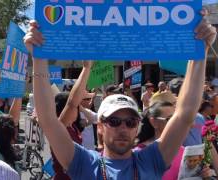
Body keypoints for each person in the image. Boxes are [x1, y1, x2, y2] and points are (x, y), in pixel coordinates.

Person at [24, 8, 216, 179]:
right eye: (114, 122)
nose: (123, 128)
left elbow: (185, 115)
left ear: (137, 127)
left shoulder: (151, 160)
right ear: (100, 126)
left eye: (130, 122)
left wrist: (200, 50)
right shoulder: (84, 163)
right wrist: (38, 57)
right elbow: (48, 119)